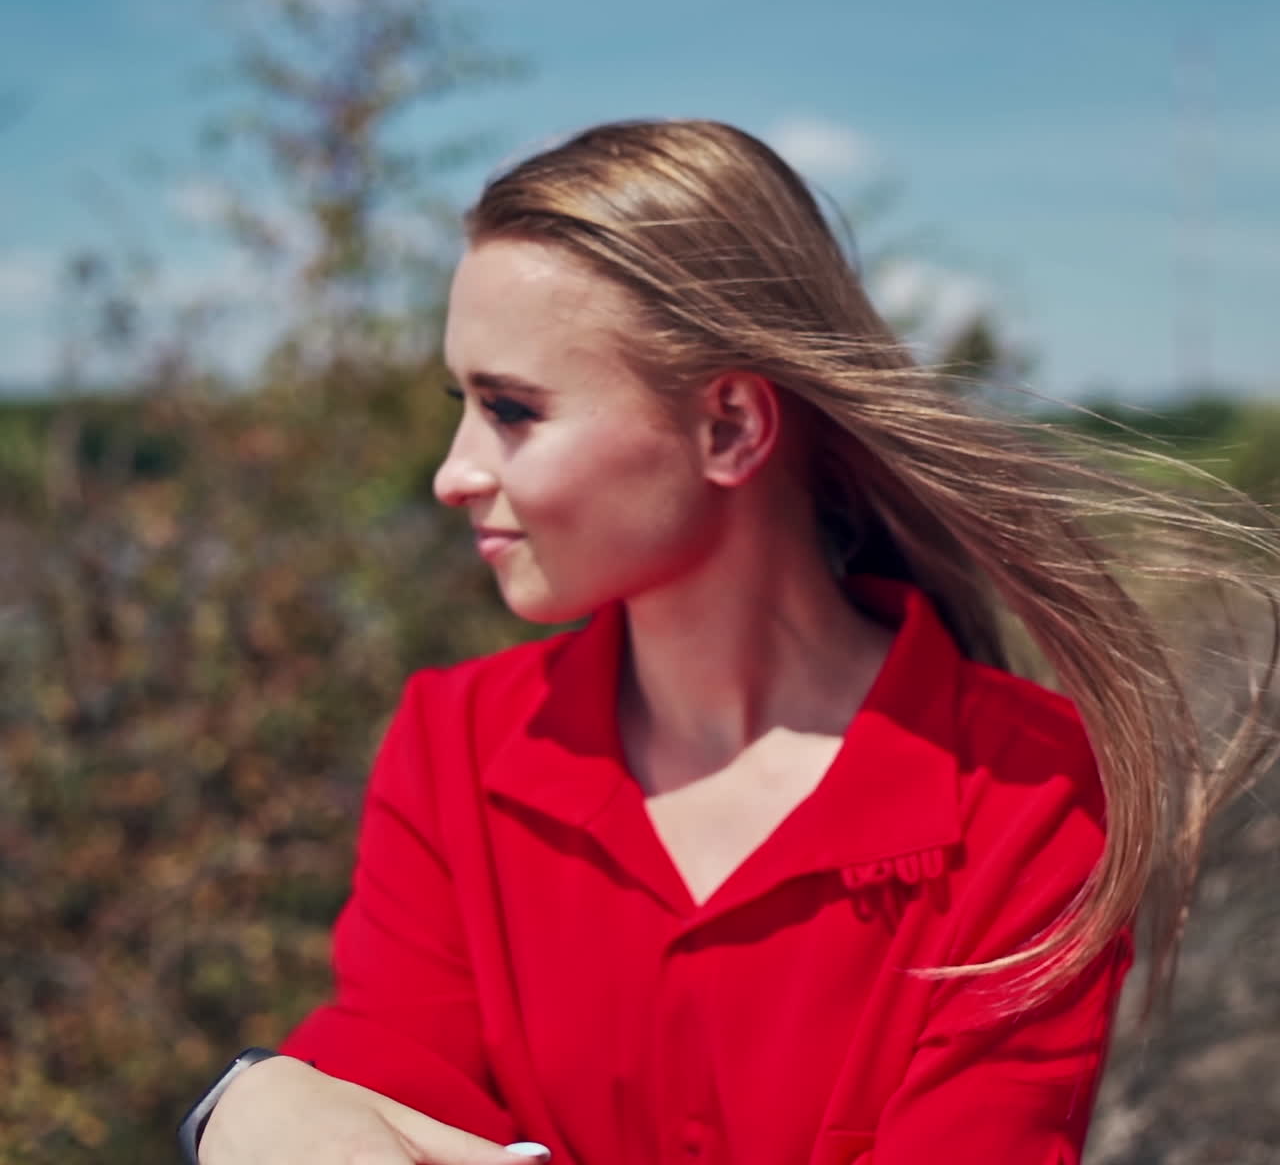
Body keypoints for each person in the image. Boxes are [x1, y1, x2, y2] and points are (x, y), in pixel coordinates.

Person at [186, 119, 1280, 1165]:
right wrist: (253, 1092)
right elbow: (384, 1088)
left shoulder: (1028, 794)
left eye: (510, 409)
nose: (452, 470)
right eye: (461, 403)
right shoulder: (453, 745)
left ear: (730, 426)